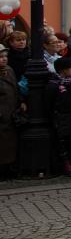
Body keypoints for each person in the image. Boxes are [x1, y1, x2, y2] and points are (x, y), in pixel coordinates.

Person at [48, 56, 71, 177]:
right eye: (70, 68)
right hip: (61, 117)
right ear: (63, 70)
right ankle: (66, 164)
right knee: (63, 142)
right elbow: (50, 103)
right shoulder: (54, 85)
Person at [0, 45, 18, 179]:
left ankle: (8, 167)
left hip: (10, 111)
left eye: (5, 56)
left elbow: (15, 88)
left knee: (9, 143)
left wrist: (21, 101)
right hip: (1, 112)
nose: (3, 59)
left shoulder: (9, 70)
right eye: (0, 57)